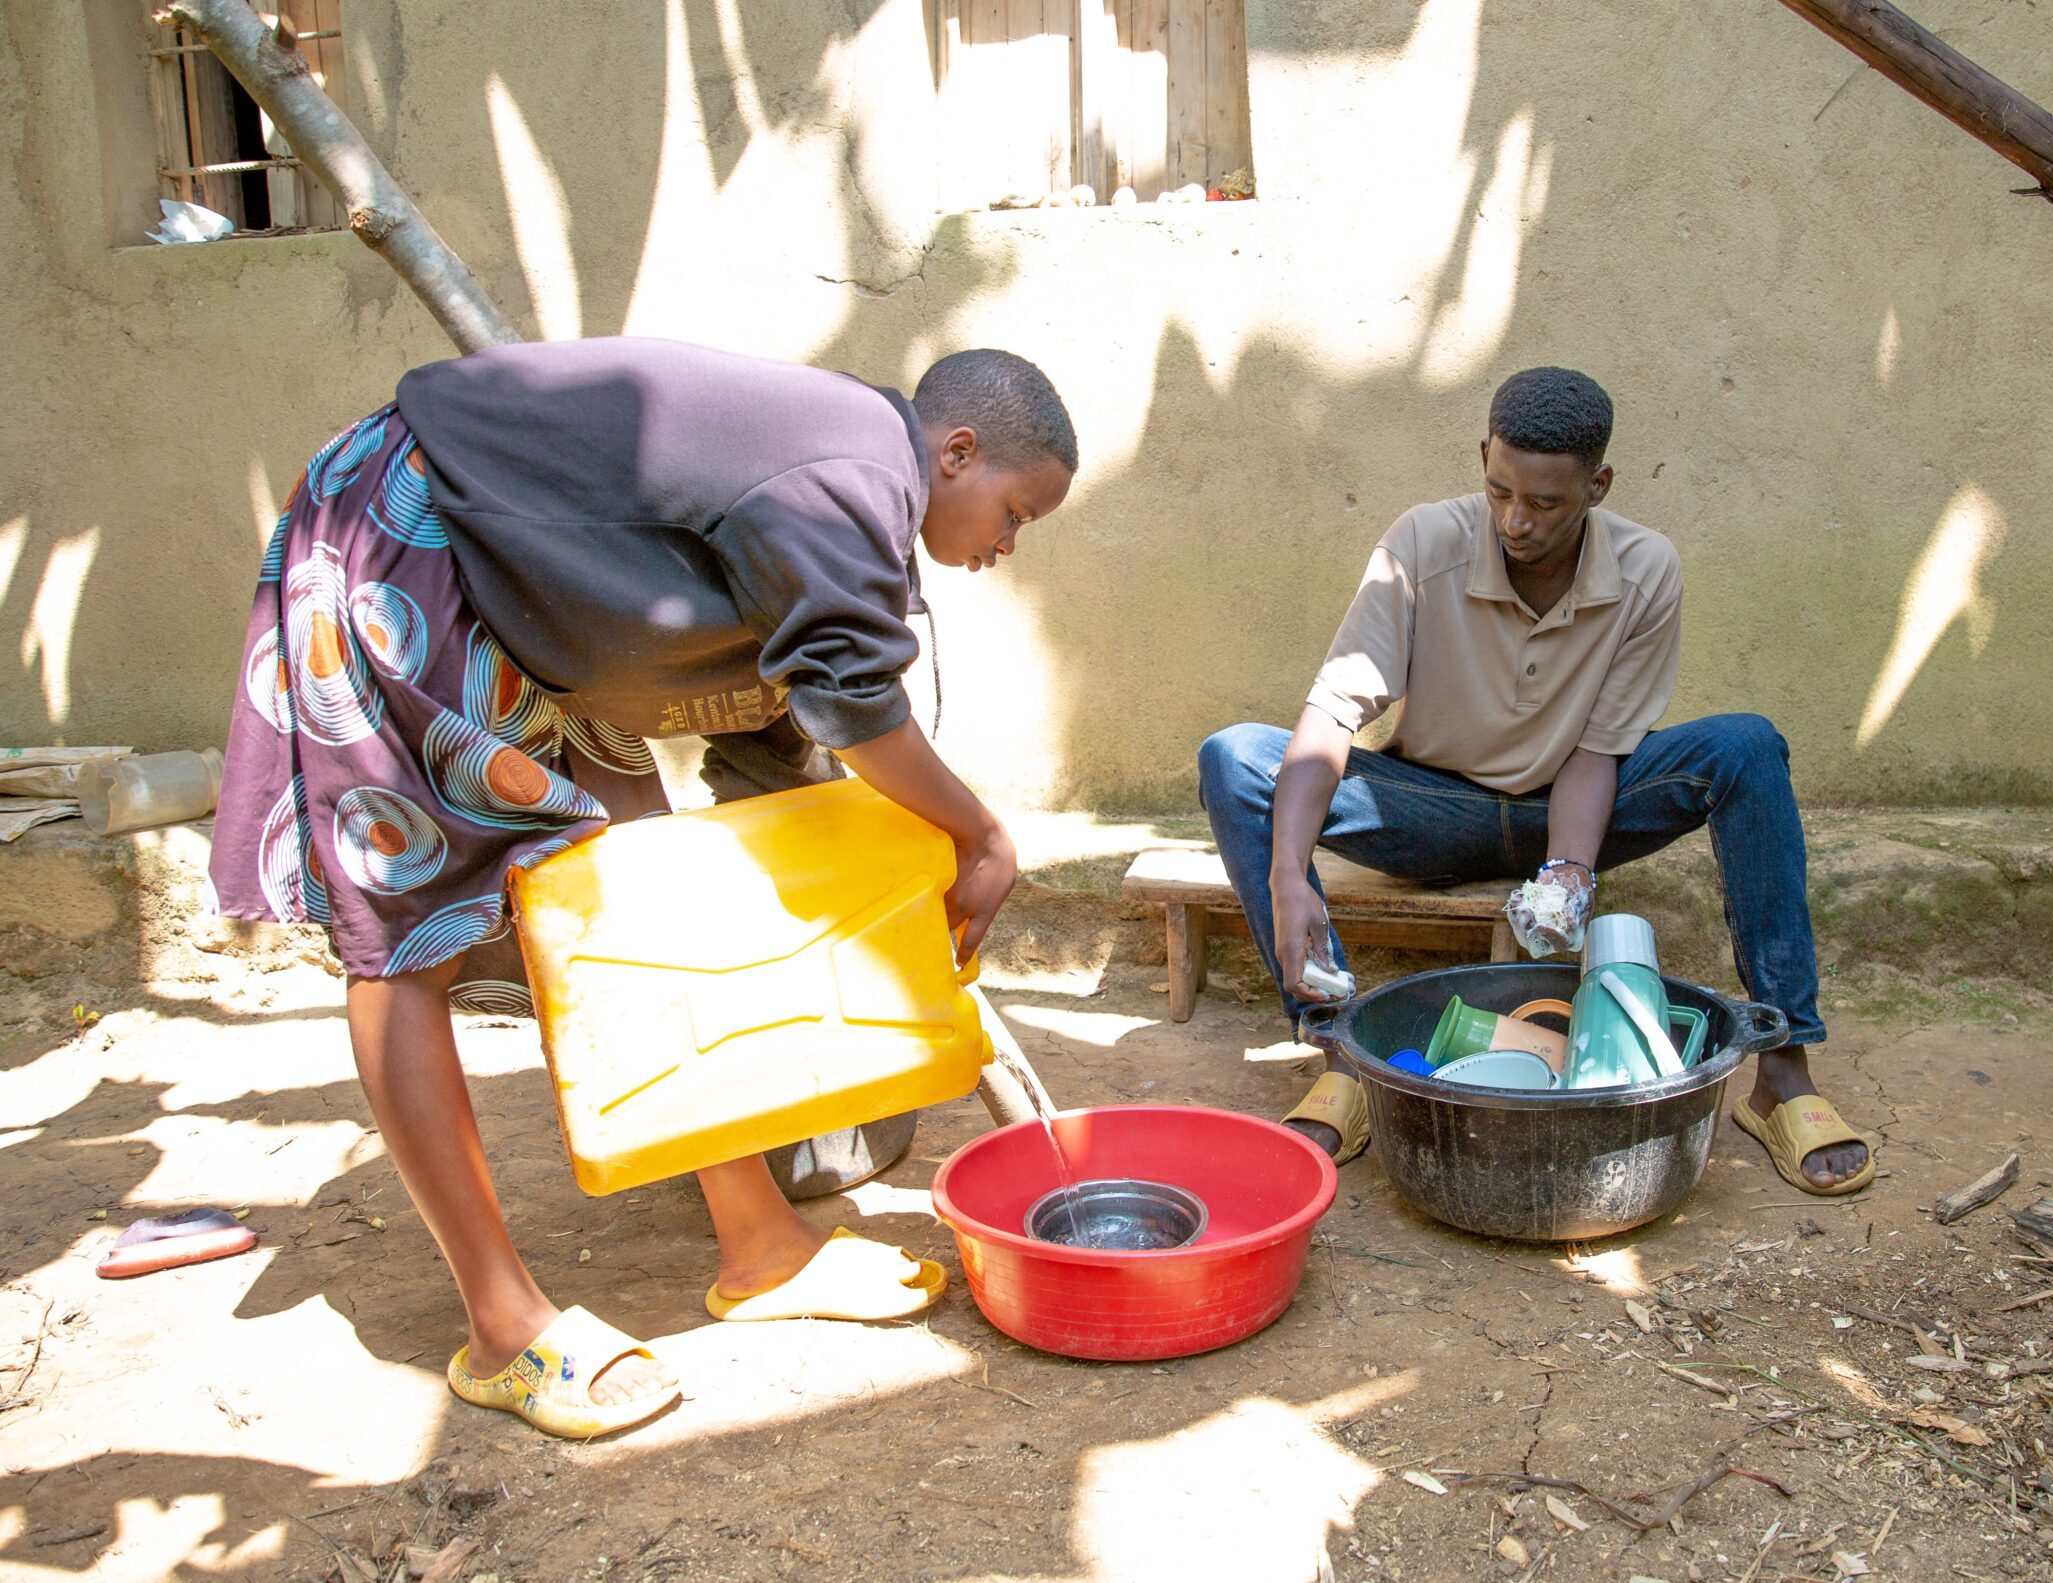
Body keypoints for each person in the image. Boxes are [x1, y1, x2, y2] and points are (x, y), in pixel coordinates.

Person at [209, 337, 1076, 1438]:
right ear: (956, 452)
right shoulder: (851, 473)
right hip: (403, 536)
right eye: (1017, 512)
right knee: (404, 934)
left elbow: (782, 726)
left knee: (640, 907)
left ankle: (760, 1243)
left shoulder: (843, 482)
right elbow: (854, 701)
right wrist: (978, 831)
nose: (1008, 544)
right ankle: (503, 1327)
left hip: (540, 610)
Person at [1196, 366, 1871, 1198]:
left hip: (1578, 803)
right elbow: (1334, 712)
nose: (1517, 519)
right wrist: (1286, 873)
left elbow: (1599, 750)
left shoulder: (1646, 568)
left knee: (1747, 747)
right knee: (1235, 756)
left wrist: (1570, 872)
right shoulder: (1421, 544)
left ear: (1599, 485)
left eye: (1547, 503)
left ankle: (1784, 1072)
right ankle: (1342, 1050)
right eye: (1500, 489)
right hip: (1430, 807)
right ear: (1483, 457)